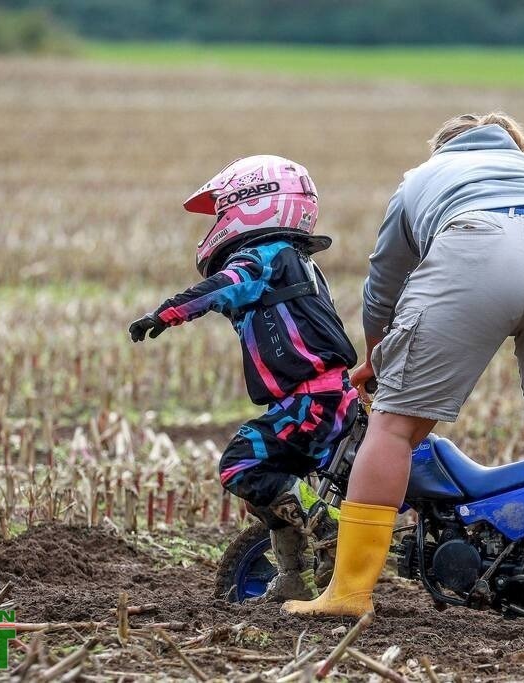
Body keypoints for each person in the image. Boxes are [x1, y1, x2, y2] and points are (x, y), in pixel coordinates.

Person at [284, 113, 524, 624]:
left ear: (443, 148)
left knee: (395, 428)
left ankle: (349, 595)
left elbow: (383, 283)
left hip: (473, 244)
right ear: (517, 147)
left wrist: (378, 359)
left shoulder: (422, 178)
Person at [128, 155, 359, 601]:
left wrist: (166, 313)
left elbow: (226, 284)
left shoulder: (266, 256)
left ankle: (333, 531)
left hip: (311, 399)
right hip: (321, 397)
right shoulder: (297, 261)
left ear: (252, 203)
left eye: (221, 211)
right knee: (266, 486)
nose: (217, 221)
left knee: (242, 464)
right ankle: (294, 576)